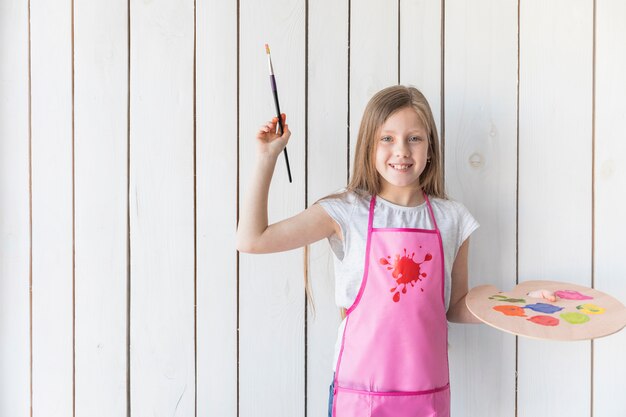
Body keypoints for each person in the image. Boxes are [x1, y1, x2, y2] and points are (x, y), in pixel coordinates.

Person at [237, 85, 483, 417]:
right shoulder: (345, 211)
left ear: (431, 147)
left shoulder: (453, 218)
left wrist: (515, 308)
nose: (402, 151)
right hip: (359, 397)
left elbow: (456, 306)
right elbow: (252, 239)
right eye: (387, 138)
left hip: (428, 397)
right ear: (368, 145)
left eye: (414, 138)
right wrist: (266, 159)